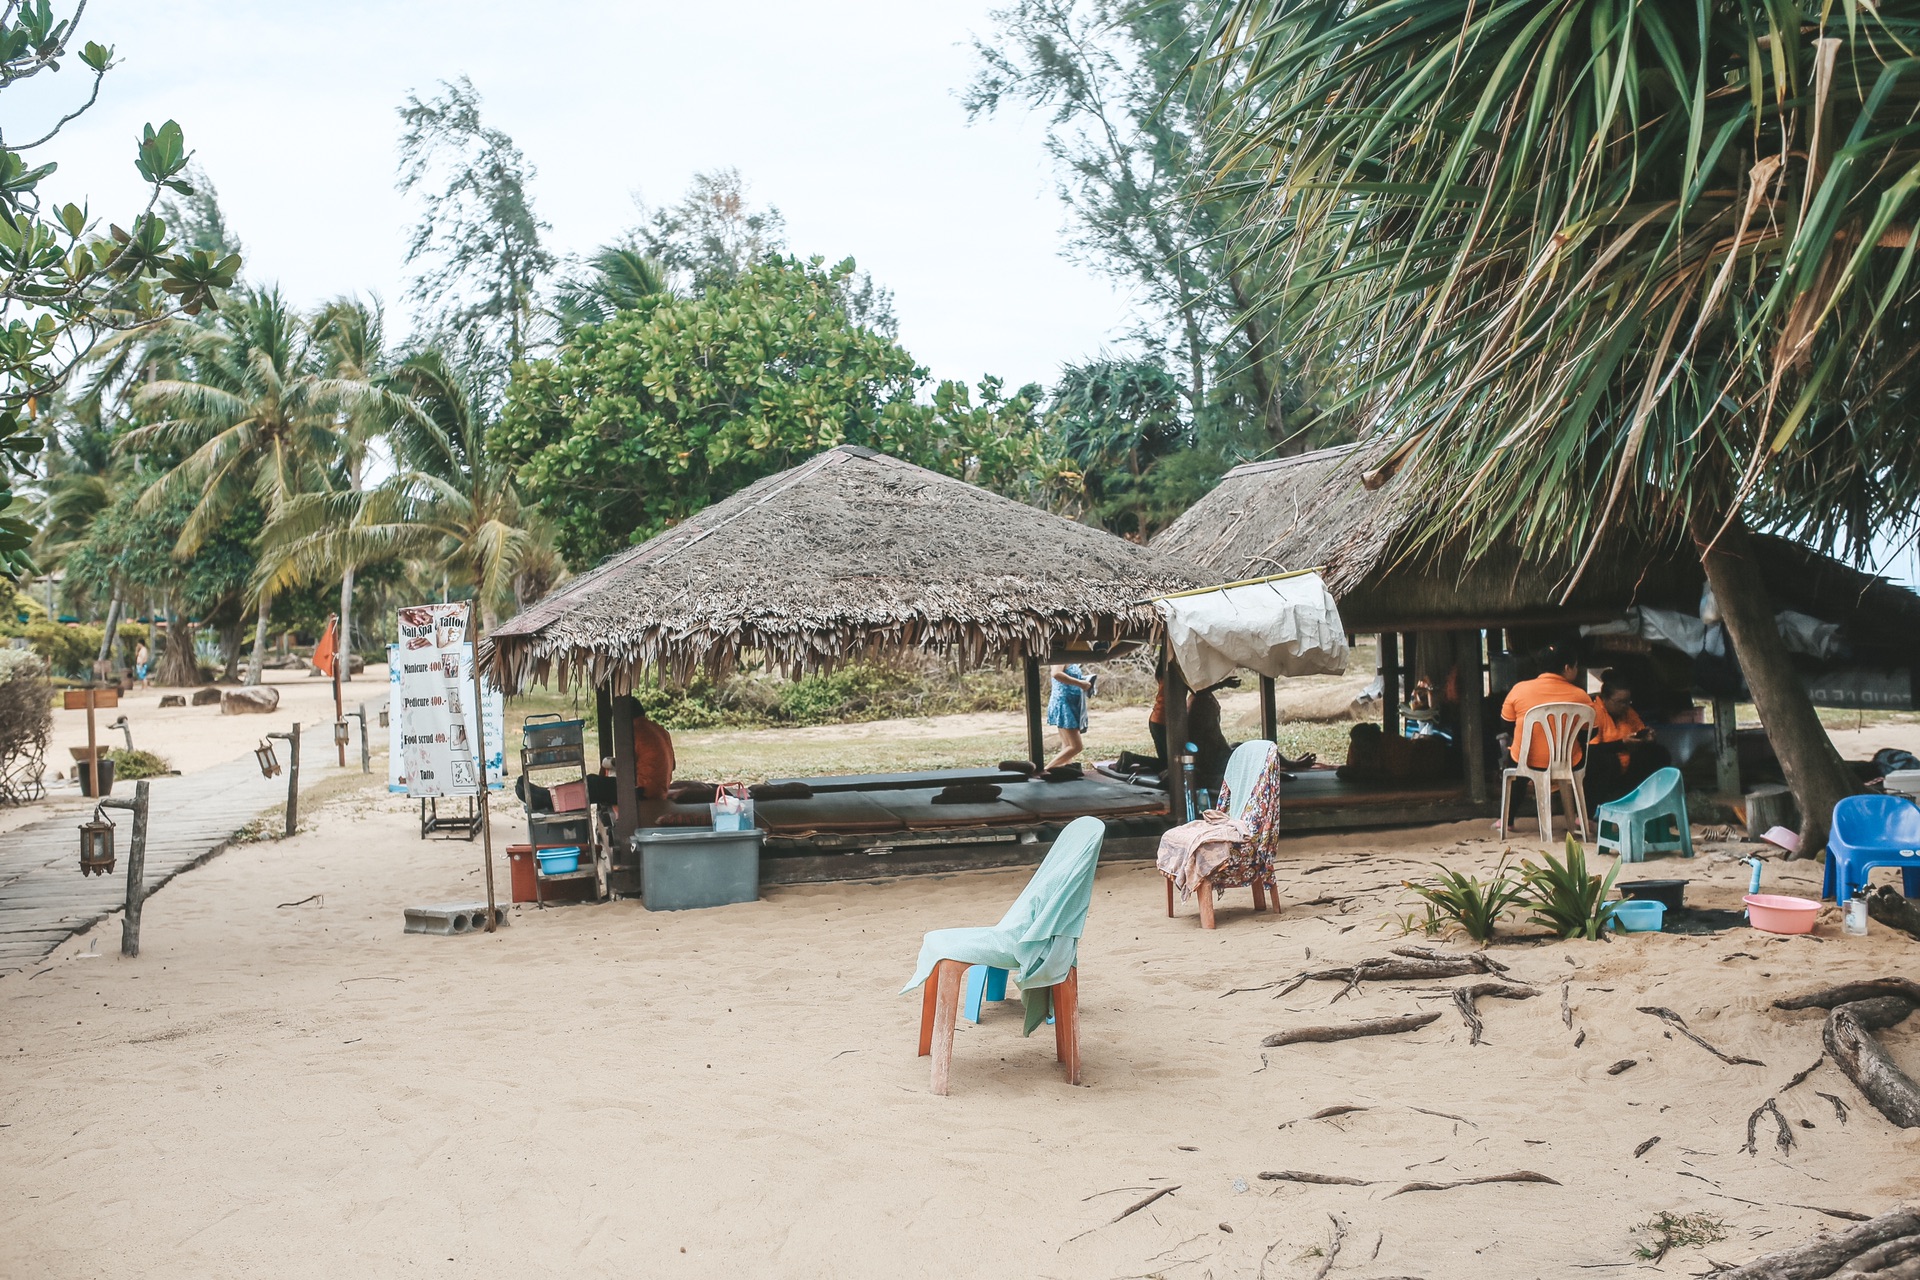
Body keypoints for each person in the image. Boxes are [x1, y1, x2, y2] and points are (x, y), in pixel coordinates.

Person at [1498, 644, 1589, 770]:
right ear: (1567, 668)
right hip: (1568, 763)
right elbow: (1589, 733)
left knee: (1514, 755)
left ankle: (1517, 789)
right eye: (1576, 666)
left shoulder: (1519, 689)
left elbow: (1507, 725)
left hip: (1524, 762)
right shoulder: (1581, 696)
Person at [1585, 677, 1672, 805]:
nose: (1624, 706)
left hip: (1628, 762)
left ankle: (1648, 799)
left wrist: (1647, 738)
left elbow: (1639, 730)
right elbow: (1590, 750)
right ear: (1605, 699)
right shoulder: (1594, 713)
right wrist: (1621, 744)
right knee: (1605, 760)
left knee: (1658, 753)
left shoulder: (1628, 712)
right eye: (1619, 702)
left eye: (1627, 702)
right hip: (1603, 766)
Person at [1044, 662, 1093, 769]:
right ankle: (1046, 770)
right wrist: (1080, 683)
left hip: (1072, 702)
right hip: (1063, 703)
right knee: (1076, 746)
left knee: (1067, 744)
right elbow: (1056, 674)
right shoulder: (1060, 658)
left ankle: (1064, 769)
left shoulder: (1072, 659)